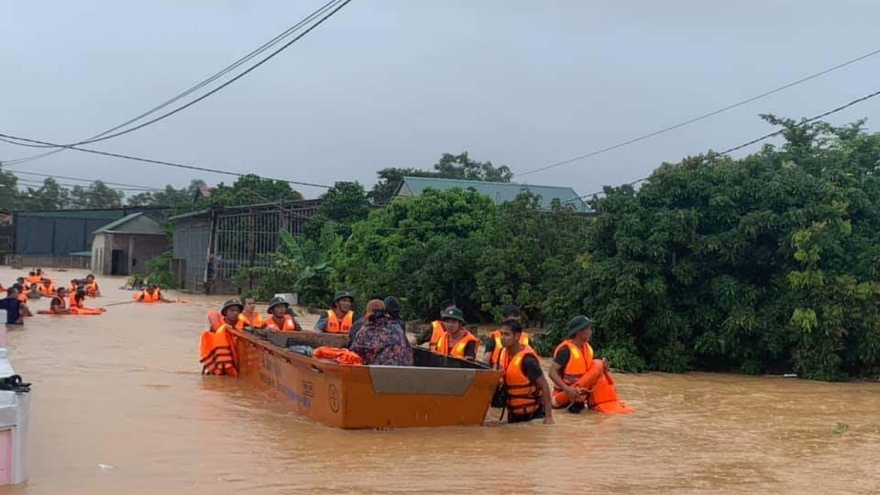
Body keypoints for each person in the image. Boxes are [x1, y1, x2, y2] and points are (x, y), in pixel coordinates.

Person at [548, 315, 635, 415]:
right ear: (579, 332)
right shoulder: (565, 351)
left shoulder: (588, 349)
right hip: (563, 401)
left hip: (579, 401)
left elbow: (591, 374)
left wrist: (604, 369)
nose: (591, 332)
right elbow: (551, 372)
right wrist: (567, 390)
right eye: (589, 329)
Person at [497, 320, 553, 424]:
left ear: (517, 336)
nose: (502, 338)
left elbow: (544, 386)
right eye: (501, 334)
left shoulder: (528, 360)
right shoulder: (502, 354)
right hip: (513, 415)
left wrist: (548, 416)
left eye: (507, 334)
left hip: (533, 416)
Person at [349, 300, 413, 366]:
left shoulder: (367, 330)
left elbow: (354, 355)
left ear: (369, 313)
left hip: (380, 373)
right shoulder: (396, 326)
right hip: (405, 371)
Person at [199, 300, 242, 376]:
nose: (235, 313)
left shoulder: (244, 325)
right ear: (225, 312)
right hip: (218, 363)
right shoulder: (216, 326)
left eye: (237, 311)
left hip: (236, 363)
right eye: (232, 310)